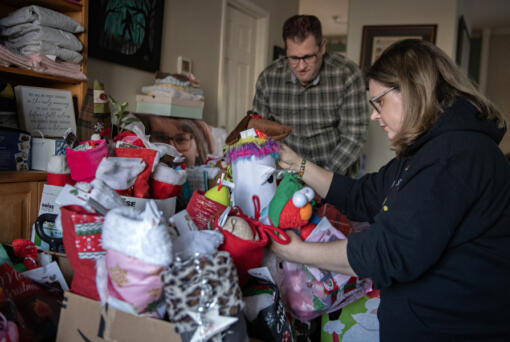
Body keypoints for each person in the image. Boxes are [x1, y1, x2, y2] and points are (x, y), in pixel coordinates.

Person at [272, 39, 510, 341]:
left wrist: (296, 252)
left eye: (379, 102)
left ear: (412, 92)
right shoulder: (426, 150)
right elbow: (364, 195)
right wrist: (298, 164)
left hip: (450, 329)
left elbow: (388, 250)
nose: (374, 115)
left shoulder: (456, 155)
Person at [252, 15, 369, 178]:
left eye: (308, 57)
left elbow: (354, 135)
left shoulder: (347, 75)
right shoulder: (268, 78)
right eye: (293, 58)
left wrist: (320, 179)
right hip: (285, 174)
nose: (301, 66)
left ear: (322, 47)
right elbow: (259, 130)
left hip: (335, 174)